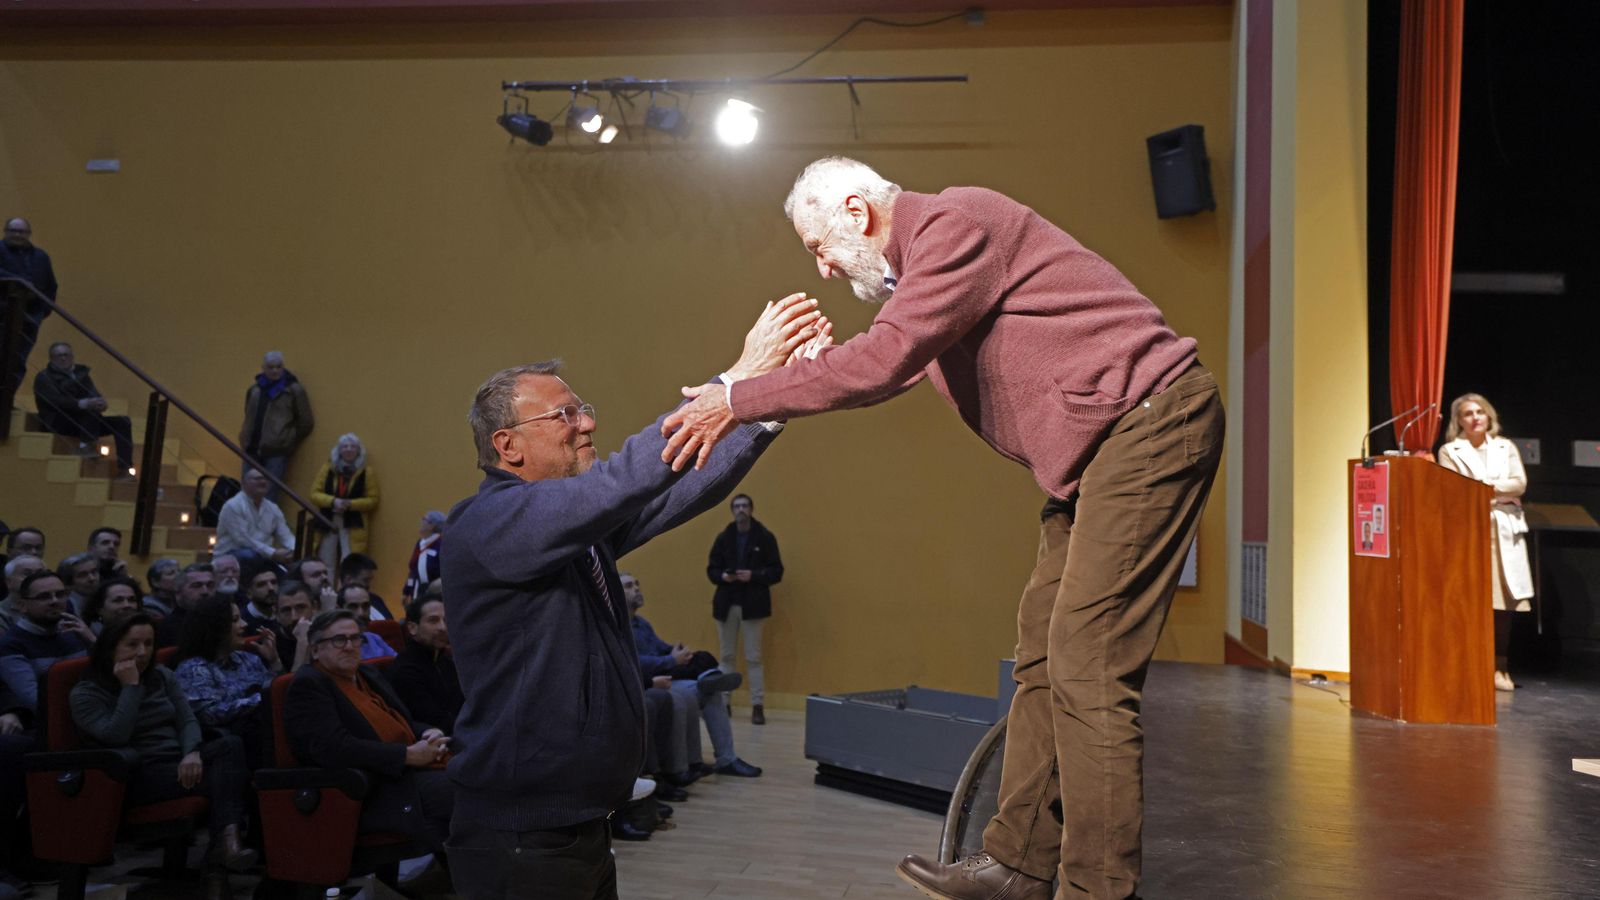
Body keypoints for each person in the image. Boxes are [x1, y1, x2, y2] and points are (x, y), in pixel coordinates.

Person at [661, 157, 1224, 900]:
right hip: (1096, 457)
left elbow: (884, 359)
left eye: (819, 248)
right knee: (1042, 659)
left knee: (1087, 664)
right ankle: (1019, 866)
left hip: (1148, 424)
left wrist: (740, 398)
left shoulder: (955, 222)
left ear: (857, 211)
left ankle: (1097, 889)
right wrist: (819, 368)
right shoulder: (923, 274)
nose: (824, 269)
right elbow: (888, 368)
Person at [441, 295, 821, 900]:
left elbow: (675, 488)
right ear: (508, 446)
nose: (587, 424)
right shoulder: (489, 523)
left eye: (583, 410)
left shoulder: (570, 528)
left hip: (577, 826)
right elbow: (622, 480)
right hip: (522, 837)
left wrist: (763, 405)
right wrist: (733, 381)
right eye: (564, 415)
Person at [69, 613, 257, 894]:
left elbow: (187, 720)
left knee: (230, 745)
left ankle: (223, 849)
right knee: (228, 779)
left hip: (178, 763)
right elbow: (116, 736)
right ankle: (219, 860)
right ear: (110, 647)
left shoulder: (161, 675)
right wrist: (131, 687)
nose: (142, 652)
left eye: (148, 644)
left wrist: (191, 752)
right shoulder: (86, 693)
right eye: (132, 644)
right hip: (136, 774)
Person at [282, 609, 453, 854]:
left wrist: (429, 731)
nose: (349, 646)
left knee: (479, 769)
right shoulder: (309, 684)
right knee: (464, 787)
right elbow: (333, 748)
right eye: (339, 640)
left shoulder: (367, 673)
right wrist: (407, 755)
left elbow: (400, 719)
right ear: (316, 650)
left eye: (356, 638)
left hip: (408, 770)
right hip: (373, 788)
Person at [1437, 393, 1533, 693]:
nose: (1475, 417)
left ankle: (1499, 666)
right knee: (1468, 601)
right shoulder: (1449, 451)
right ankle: (1469, 666)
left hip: (1503, 530)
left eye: (1480, 412)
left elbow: (1519, 483)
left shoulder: (1505, 447)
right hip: (1468, 531)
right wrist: (1496, 491)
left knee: (1502, 602)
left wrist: (1480, 489)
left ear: (1489, 415)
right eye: (1468, 413)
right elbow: (1454, 489)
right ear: (1458, 421)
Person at [622, 573, 759, 778]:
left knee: (709, 686)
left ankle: (726, 760)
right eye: (628, 586)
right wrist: (671, 660)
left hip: (664, 674)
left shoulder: (642, 623)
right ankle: (689, 763)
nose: (636, 589)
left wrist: (677, 652)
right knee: (701, 691)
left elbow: (660, 647)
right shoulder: (618, 626)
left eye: (637, 584)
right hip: (649, 682)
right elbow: (633, 661)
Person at [173, 597, 281, 768]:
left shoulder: (248, 658)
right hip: (228, 742)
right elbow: (208, 715)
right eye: (235, 620)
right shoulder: (194, 668)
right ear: (216, 627)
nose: (244, 624)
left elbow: (275, 694)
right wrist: (261, 700)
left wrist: (274, 663)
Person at [705, 493, 783, 725]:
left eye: (745, 506)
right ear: (732, 510)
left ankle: (757, 706)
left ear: (751, 509)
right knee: (726, 656)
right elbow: (712, 570)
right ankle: (724, 704)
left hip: (753, 605)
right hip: (726, 604)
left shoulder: (765, 537)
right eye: (737, 506)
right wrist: (723, 576)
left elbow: (776, 571)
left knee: (753, 657)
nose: (741, 509)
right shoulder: (723, 538)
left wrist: (754, 575)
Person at [0, 571, 95, 734]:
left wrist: (93, 641)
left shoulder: (77, 632)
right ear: (22, 605)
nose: (55, 601)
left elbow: (109, 677)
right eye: (44, 597)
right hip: (50, 727)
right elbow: (35, 700)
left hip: (91, 718)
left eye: (60, 594)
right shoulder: (11, 644)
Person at [32, 342, 134, 474]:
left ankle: (124, 469)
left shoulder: (81, 375)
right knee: (88, 407)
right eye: (58, 356)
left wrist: (100, 403)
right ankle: (85, 446)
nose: (63, 358)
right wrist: (82, 403)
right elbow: (55, 401)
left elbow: (92, 394)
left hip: (85, 422)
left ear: (72, 357)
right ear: (51, 358)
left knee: (122, 422)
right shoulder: (44, 378)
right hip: (58, 421)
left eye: (66, 355)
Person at [239, 351, 314, 494]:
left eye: (278, 367)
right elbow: (248, 413)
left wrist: (287, 438)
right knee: (246, 495)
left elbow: (306, 421)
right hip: (251, 449)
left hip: (276, 452)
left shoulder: (294, 390)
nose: (275, 370)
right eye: (271, 367)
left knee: (269, 496)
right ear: (263, 368)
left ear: (283, 367)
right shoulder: (255, 390)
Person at [386, 597, 462, 734]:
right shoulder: (404, 671)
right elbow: (434, 721)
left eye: (446, 620)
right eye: (433, 620)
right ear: (412, 628)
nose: (443, 627)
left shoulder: (446, 661)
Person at [0, 217, 58, 393]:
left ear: (29, 234)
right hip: (2, 316)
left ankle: (6, 399)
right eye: (13, 231)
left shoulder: (41, 257)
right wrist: (20, 281)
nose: (18, 235)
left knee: (18, 362)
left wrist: (43, 311)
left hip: (29, 320)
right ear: (5, 231)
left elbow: (51, 286)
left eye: (22, 231)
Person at [310, 433, 380, 571]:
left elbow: (373, 499)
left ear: (358, 451)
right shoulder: (327, 469)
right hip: (328, 519)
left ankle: (346, 585)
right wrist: (333, 501)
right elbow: (314, 494)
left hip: (353, 522)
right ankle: (326, 584)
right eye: (345, 446)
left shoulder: (366, 472)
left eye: (353, 447)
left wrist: (350, 504)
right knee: (325, 559)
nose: (349, 449)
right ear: (339, 450)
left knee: (349, 561)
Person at [213, 469, 295, 564]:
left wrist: (294, 550)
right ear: (244, 484)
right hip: (231, 555)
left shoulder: (273, 508)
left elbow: (285, 535)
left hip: (262, 555)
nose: (263, 482)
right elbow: (243, 540)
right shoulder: (233, 505)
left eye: (265, 479)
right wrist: (273, 553)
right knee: (250, 555)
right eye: (257, 479)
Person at [156, 563, 217, 648]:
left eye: (210, 585)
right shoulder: (167, 629)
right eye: (197, 586)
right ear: (178, 593)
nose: (205, 591)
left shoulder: (222, 622)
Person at [268, 580, 316, 673]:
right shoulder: (270, 646)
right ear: (276, 614)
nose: (294, 617)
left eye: (301, 608)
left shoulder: (325, 637)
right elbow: (295, 682)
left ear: (314, 607)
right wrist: (302, 643)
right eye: (286, 610)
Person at [336, 585, 397, 659]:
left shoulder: (374, 638)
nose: (361, 613)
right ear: (338, 610)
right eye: (353, 607)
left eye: (365, 606)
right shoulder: (332, 645)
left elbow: (398, 662)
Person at [402, 511, 445, 602]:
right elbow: (413, 569)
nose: (420, 522)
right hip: (418, 591)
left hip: (435, 593)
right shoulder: (420, 543)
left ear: (432, 525)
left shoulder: (441, 544)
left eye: (424, 519)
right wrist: (406, 591)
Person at [0, 556, 46, 632]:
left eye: (40, 573)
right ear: (9, 582)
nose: (35, 577)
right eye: (27, 574)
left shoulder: (54, 605)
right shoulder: (2, 613)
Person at [56, 552, 100, 617]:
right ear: (69, 583)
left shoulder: (103, 600)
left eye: (94, 572)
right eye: (83, 575)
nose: (92, 578)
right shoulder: (65, 607)